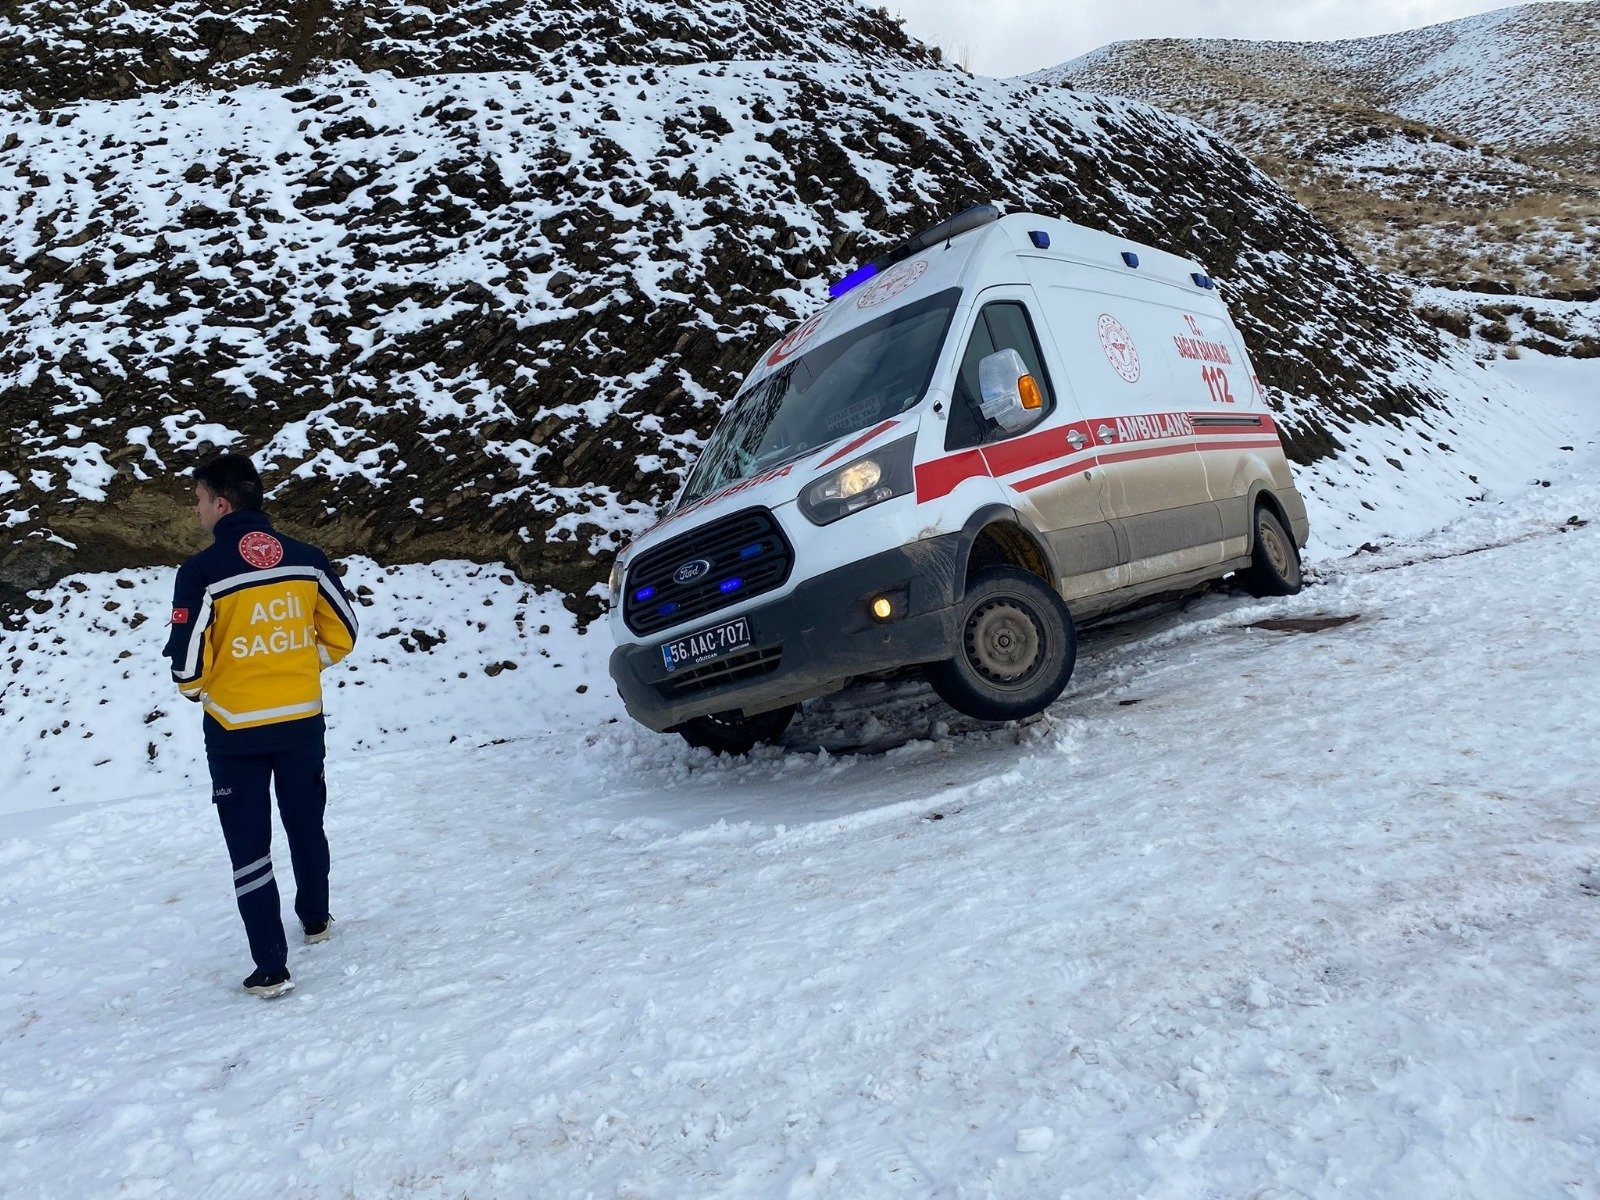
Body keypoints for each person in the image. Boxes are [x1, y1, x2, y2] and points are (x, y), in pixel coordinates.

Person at [163, 453, 360, 998]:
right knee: (306, 823)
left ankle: (271, 967)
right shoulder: (307, 558)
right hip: (301, 721)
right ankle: (317, 921)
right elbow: (343, 633)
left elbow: (186, 663)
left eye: (199, 499)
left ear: (221, 504)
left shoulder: (202, 572)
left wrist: (200, 687)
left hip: (235, 732)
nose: (198, 509)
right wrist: (299, 667)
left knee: (249, 845)